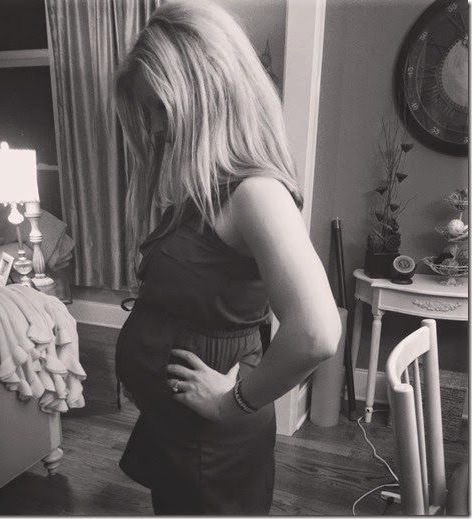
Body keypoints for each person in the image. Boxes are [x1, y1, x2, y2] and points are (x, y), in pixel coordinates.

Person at [113, 1, 341, 515]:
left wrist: (231, 402)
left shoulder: (255, 193)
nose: (154, 128)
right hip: (177, 429)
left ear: (207, 91)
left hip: (210, 443)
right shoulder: (208, 188)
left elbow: (316, 332)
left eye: (159, 107)